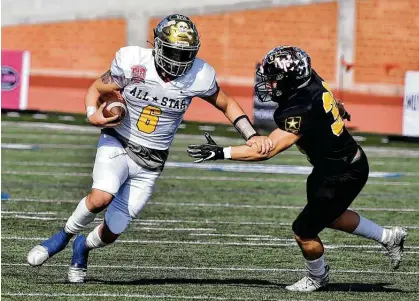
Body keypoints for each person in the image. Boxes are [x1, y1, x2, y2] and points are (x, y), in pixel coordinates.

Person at [27, 14, 272, 283]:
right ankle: (62, 237)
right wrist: (91, 113)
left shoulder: (200, 75)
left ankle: (82, 247)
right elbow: (96, 88)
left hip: (152, 161)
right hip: (119, 141)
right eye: (172, 52)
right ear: (157, 45)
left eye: (184, 54)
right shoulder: (134, 62)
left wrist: (250, 134)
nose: (178, 60)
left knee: (113, 230)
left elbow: (226, 104)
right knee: (101, 197)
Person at [187, 45, 408, 292]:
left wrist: (222, 152)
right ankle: (389, 237)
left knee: (303, 232)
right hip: (332, 168)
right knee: (330, 217)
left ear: (291, 80)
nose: (268, 85)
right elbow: (331, 99)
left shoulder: (300, 107)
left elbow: (267, 150)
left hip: (344, 173)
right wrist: (339, 109)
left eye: (273, 80)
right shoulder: (309, 80)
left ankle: (317, 277)